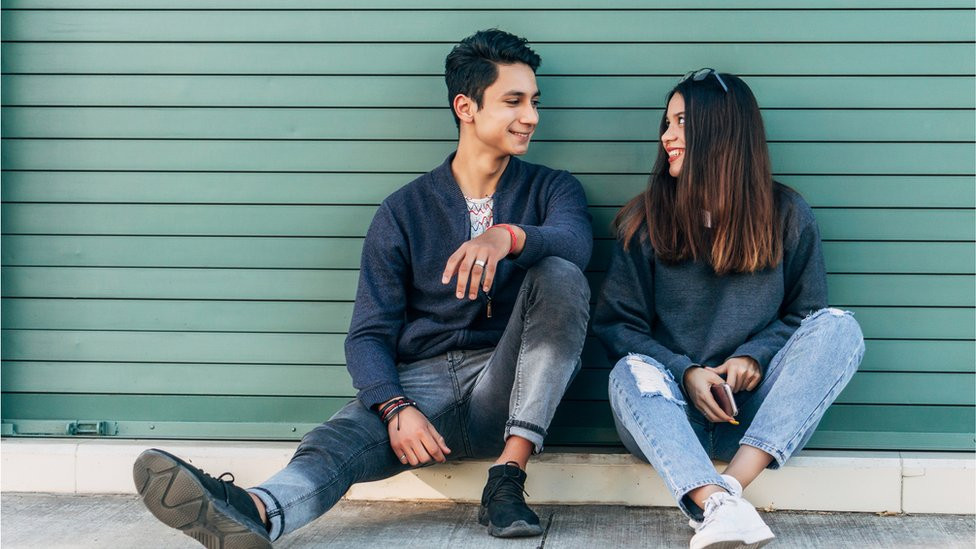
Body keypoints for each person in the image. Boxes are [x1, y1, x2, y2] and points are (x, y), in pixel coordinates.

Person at [132, 29, 592, 548]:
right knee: (335, 441)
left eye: (534, 102)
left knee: (561, 274)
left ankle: (507, 477)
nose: (531, 116)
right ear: (466, 107)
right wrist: (395, 406)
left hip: (506, 381)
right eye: (514, 101)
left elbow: (575, 245)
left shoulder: (551, 188)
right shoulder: (403, 210)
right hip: (420, 387)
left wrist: (505, 236)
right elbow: (369, 334)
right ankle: (254, 511)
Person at [592, 69, 865, 549]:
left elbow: (806, 316)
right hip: (669, 419)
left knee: (839, 327)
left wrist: (753, 356)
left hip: (757, 421)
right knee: (628, 371)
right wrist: (686, 372)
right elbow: (617, 326)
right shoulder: (645, 219)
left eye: (681, 122)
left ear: (722, 131)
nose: (667, 136)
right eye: (667, 123)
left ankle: (726, 494)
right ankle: (718, 502)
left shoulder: (787, 213)